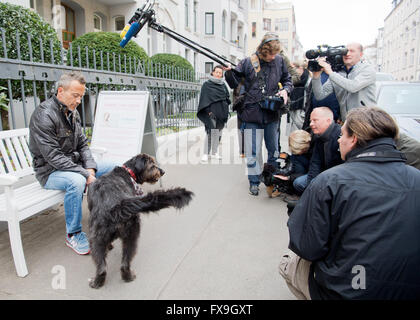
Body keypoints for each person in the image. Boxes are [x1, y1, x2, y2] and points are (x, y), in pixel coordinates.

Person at [279, 107, 420, 300]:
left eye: (343, 133)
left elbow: (306, 247)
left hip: (347, 291)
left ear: (353, 139)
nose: (339, 139)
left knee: (288, 263)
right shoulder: (417, 178)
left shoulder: (329, 181)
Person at [29, 72, 116, 255]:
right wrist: (86, 174)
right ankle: (73, 234)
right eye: (75, 95)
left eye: (81, 96)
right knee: (75, 181)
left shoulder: (72, 112)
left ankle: (109, 216)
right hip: (49, 172)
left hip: (72, 166)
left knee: (114, 167)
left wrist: (90, 167)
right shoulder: (44, 115)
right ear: (61, 91)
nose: (78, 100)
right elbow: (53, 157)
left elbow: (83, 144)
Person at [224, 33, 293, 196]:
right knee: (252, 151)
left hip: (272, 114)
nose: (273, 57)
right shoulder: (248, 62)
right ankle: (254, 182)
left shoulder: (280, 61)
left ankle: (271, 181)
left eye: (276, 54)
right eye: (271, 54)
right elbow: (235, 83)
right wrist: (228, 72)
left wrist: (285, 90)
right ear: (263, 50)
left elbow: (288, 80)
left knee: (274, 150)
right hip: (251, 114)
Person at [312, 43, 376, 122]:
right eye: (345, 51)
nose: (347, 54)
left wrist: (330, 72)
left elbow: (353, 87)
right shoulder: (339, 73)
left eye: (352, 51)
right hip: (347, 122)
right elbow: (320, 95)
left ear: (361, 54)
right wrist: (316, 77)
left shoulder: (367, 69)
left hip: (365, 121)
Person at [291, 107, 342, 195]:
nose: (311, 124)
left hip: (338, 178)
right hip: (323, 174)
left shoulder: (340, 137)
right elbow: (315, 163)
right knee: (298, 183)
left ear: (328, 121)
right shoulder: (319, 137)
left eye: (315, 120)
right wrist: (311, 184)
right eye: (311, 121)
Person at [197, 65, 231, 163]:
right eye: (216, 72)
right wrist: (209, 112)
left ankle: (214, 152)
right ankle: (205, 154)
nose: (218, 74)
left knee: (218, 133)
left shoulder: (223, 85)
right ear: (213, 72)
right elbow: (204, 100)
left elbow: (227, 97)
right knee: (210, 132)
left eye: (220, 73)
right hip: (211, 113)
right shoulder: (206, 85)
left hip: (222, 113)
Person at [288, 61, 310, 132]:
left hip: (302, 113)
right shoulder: (293, 81)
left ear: (300, 68)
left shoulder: (308, 80)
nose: (291, 72)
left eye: (293, 69)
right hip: (292, 112)